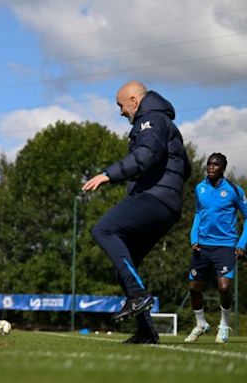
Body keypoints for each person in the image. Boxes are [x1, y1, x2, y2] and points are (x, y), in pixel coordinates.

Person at [82, 80, 191, 344]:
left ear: (134, 100)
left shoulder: (150, 120)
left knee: (103, 229)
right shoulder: (164, 122)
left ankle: (138, 296)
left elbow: (146, 154)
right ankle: (146, 331)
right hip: (167, 203)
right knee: (124, 264)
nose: (121, 112)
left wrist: (108, 174)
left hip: (155, 199)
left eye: (121, 105)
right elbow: (185, 167)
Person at [184, 153, 247, 344]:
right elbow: (198, 213)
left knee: (224, 286)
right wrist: (194, 236)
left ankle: (224, 325)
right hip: (202, 246)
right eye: (209, 164)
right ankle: (201, 324)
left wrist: (242, 244)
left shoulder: (234, 190)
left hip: (226, 246)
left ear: (223, 168)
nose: (210, 167)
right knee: (194, 287)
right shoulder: (199, 188)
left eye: (215, 164)